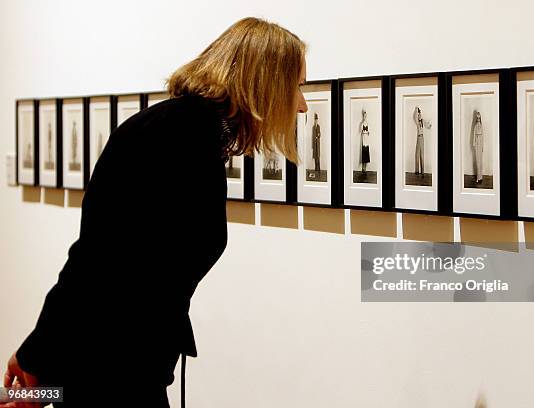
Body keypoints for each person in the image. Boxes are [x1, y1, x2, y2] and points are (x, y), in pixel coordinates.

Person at [3, 17, 307, 408]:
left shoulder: (189, 130)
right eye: (297, 86)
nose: (300, 105)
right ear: (265, 81)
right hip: (114, 376)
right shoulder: (180, 135)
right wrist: (36, 361)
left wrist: (39, 363)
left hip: (119, 370)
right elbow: (99, 261)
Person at [473, 111, 484, 184]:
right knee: (477, 160)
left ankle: (480, 177)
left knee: (480, 160)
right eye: (477, 118)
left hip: (480, 143)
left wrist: (483, 146)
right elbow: (474, 135)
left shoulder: (481, 126)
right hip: (477, 143)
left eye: (479, 118)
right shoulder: (475, 126)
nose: (478, 120)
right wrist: (474, 143)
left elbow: (483, 136)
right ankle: (478, 177)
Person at [359, 109, 370, 173]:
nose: (365, 117)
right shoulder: (362, 123)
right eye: (364, 116)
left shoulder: (367, 123)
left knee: (366, 153)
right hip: (363, 140)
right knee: (364, 153)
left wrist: (366, 132)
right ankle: (363, 168)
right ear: (362, 116)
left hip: (367, 140)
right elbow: (361, 131)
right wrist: (364, 132)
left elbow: (368, 132)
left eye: (365, 116)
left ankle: (365, 168)